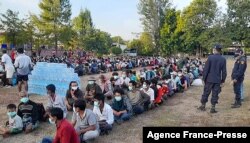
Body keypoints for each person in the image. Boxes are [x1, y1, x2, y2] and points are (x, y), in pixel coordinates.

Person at [198, 44, 227, 113]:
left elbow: (206, 69)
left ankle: (203, 105)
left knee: (206, 92)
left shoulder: (210, 57)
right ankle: (213, 108)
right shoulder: (223, 59)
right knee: (215, 93)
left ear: (215, 50)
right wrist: (223, 80)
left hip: (209, 79)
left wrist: (203, 78)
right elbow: (224, 71)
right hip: (217, 80)